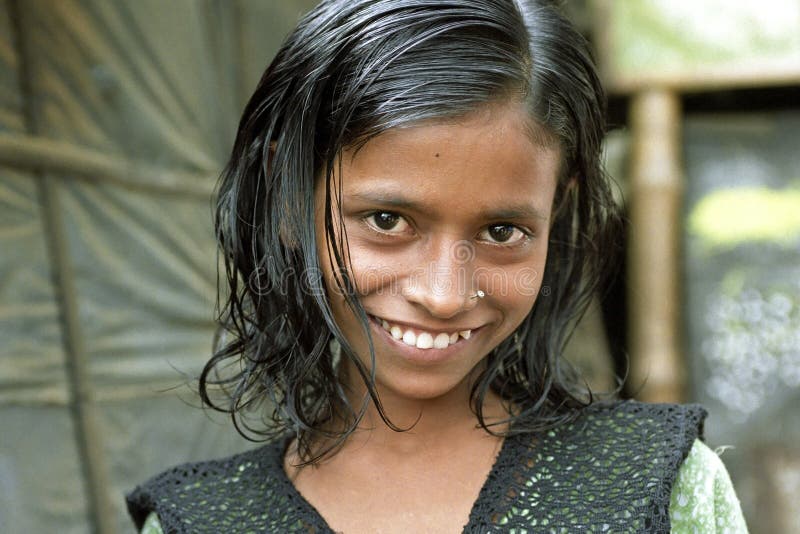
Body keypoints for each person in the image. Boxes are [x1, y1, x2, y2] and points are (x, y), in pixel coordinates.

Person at [126, 0, 748, 532]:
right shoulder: (197, 521)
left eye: (503, 231)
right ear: (286, 198)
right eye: (388, 221)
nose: (444, 294)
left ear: (557, 210)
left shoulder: (663, 490)